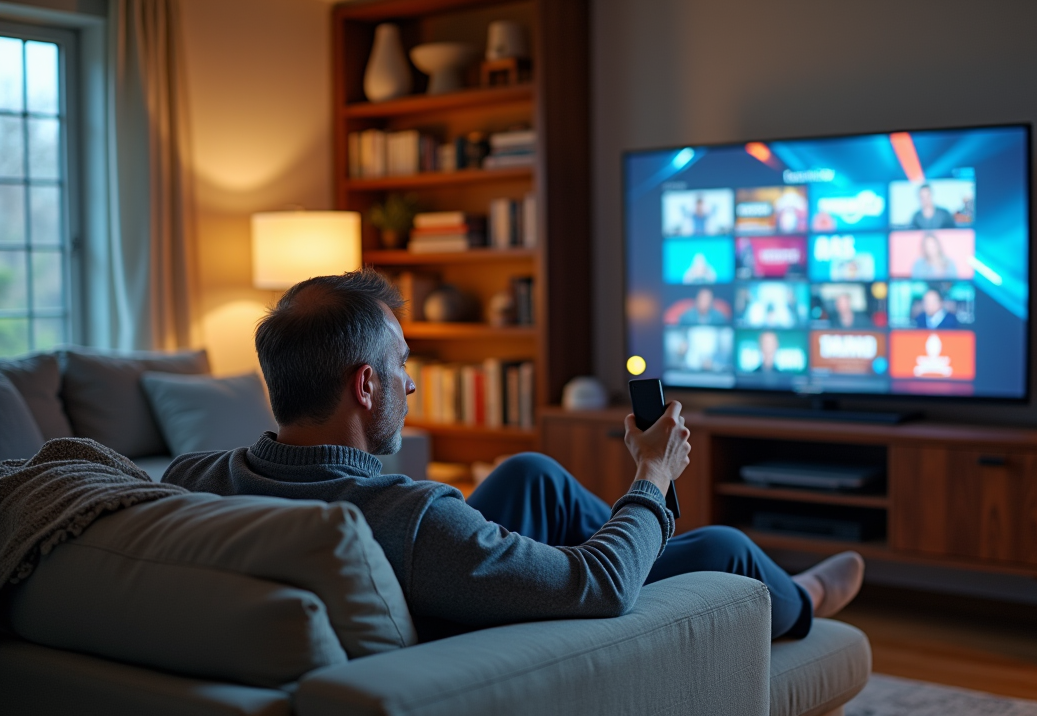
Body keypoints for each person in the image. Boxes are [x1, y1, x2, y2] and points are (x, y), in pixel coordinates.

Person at [164, 271, 863, 642]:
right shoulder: (408, 515)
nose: (409, 382)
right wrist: (653, 475)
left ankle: (643, 533)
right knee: (728, 549)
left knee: (532, 474)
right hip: (469, 620)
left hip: (440, 581)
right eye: (402, 365)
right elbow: (597, 586)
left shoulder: (192, 478)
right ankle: (798, 601)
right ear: (365, 384)